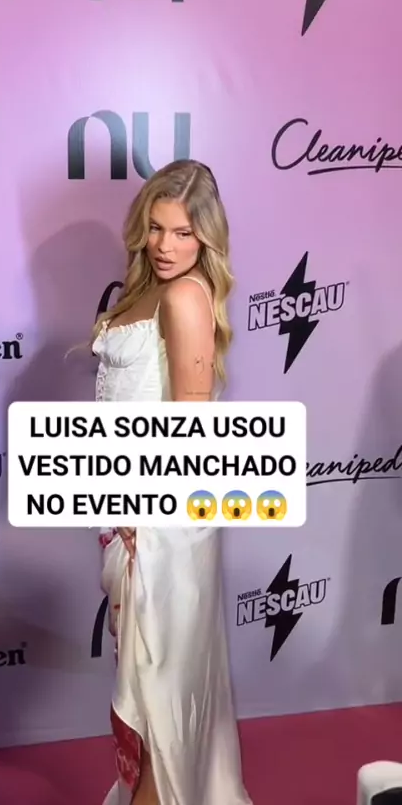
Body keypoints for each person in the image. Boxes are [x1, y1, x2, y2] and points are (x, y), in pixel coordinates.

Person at [92, 160, 253, 805]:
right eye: (156, 228)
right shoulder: (142, 290)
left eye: (184, 232)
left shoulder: (185, 296)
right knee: (142, 677)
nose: (165, 245)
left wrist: (144, 505)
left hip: (162, 518)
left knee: (157, 688)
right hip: (124, 506)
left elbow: (192, 423)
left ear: (206, 237)